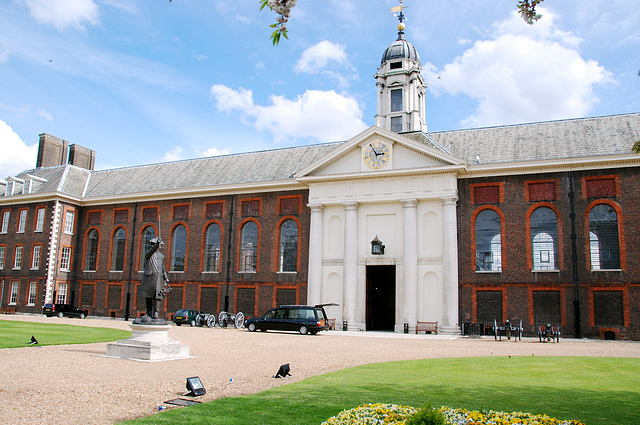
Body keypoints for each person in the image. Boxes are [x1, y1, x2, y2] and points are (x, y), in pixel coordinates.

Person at [137, 238, 170, 321]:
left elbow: (162, 268)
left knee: (158, 297)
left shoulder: (161, 256)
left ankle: (156, 313)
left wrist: (166, 278)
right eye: (152, 244)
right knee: (148, 296)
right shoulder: (149, 253)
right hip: (150, 278)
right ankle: (148, 312)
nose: (152, 245)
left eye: (154, 244)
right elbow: (151, 251)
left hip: (159, 279)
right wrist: (156, 245)